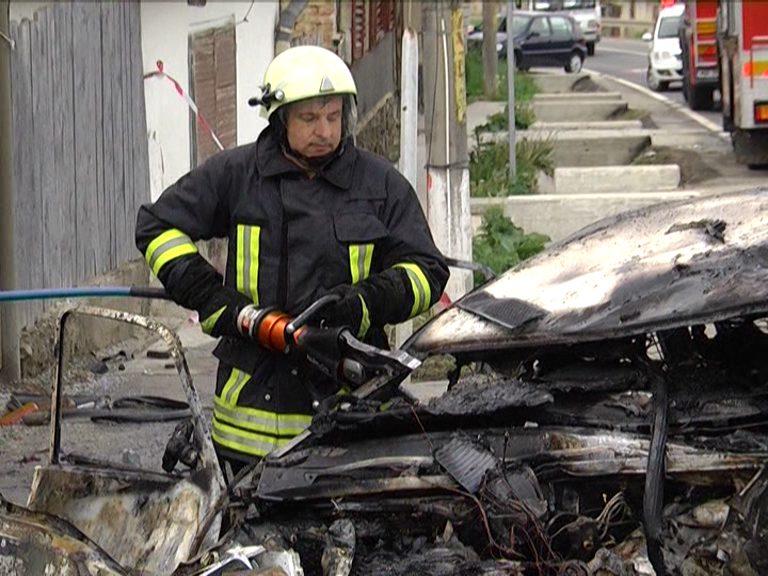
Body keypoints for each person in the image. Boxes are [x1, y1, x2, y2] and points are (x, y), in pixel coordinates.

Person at [135, 45, 449, 468]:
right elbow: (156, 226)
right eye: (309, 118)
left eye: (334, 116)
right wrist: (212, 298)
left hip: (350, 417)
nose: (325, 130)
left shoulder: (380, 185)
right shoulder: (237, 175)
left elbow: (428, 271)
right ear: (279, 118)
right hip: (247, 428)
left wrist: (364, 303)